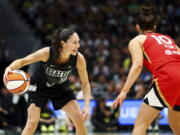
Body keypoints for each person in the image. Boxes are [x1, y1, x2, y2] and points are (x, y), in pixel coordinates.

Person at [3, 27, 91, 135]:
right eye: (75, 43)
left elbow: (85, 83)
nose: (78, 46)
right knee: (32, 123)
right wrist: (10, 68)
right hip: (39, 87)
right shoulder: (47, 53)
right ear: (63, 43)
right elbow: (23, 61)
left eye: (78, 42)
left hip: (60, 87)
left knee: (79, 120)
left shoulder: (79, 59)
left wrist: (87, 106)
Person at [112, 3, 180, 135]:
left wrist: (124, 91)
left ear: (137, 27)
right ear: (154, 27)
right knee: (175, 123)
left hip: (168, 78)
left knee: (140, 124)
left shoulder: (137, 40)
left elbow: (137, 65)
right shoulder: (168, 38)